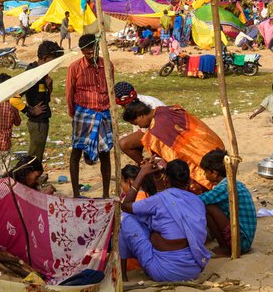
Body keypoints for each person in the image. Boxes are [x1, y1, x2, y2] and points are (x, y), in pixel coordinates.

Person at [120, 159, 211, 282]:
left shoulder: (160, 200)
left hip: (165, 271)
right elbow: (167, 200)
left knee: (125, 217)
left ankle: (124, 275)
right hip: (193, 269)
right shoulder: (197, 201)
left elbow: (125, 206)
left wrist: (141, 174)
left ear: (167, 180)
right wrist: (157, 176)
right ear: (189, 181)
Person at [122, 101, 225, 194]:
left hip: (198, 155)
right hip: (210, 144)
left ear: (140, 116)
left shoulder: (155, 131)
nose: (140, 127)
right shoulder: (166, 109)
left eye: (136, 123)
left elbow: (169, 155)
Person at [66, 34, 114, 198]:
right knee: (76, 151)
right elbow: (69, 92)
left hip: (104, 112)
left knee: (105, 152)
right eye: (87, 52)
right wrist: (74, 113)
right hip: (83, 113)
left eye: (93, 51)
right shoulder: (75, 68)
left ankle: (106, 194)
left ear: (97, 48)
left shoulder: (107, 65)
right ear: (82, 51)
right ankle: (75, 193)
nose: (91, 55)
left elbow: (111, 88)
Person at [199, 150, 257, 255]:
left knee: (208, 207)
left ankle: (225, 248)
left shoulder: (226, 186)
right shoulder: (231, 182)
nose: (204, 175)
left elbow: (201, 200)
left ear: (214, 173)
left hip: (241, 242)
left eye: (206, 172)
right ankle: (224, 245)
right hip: (243, 238)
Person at [20, 41, 64, 164]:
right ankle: (29, 180)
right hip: (37, 122)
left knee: (38, 154)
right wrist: (29, 110)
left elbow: (46, 98)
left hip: (43, 120)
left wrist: (49, 87)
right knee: (34, 156)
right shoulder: (32, 74)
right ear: (45, 58)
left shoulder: (42, 74)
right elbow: (14, 98)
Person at [114, 81, 166, 157]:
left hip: (161, 134)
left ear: (142, 115)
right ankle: (143, 166)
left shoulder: (150, 105)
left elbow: (159, 136)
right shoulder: (134, 106)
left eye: (123, 105)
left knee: (124, 144)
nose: (122, 107)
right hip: (150, 132)